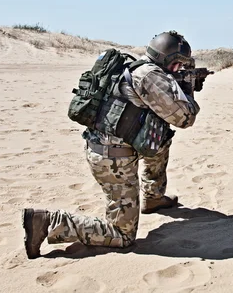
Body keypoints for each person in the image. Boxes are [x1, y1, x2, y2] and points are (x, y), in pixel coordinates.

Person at [22, 31, 201, 258]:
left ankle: (153, 196)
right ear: (170, 61)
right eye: (178, 65)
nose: (179, 70)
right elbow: (185, 118)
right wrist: (186, 89)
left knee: (162, 140)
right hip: (114, 161)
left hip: (105, 147)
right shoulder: (151, 76)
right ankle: (47, 222)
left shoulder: (134, 65)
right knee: (122, 235)